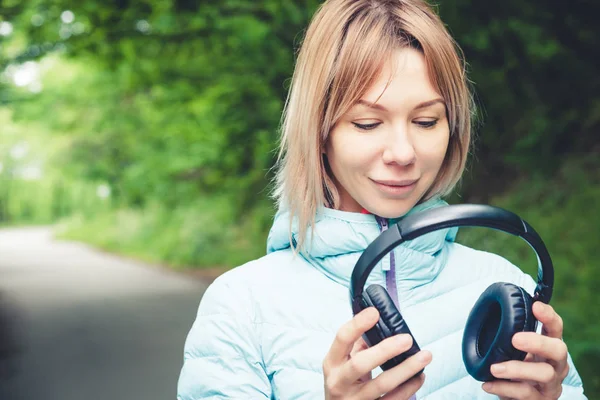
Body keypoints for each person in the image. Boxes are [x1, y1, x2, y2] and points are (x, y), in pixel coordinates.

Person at [177, 0, 586, 398]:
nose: (403, 153)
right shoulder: (242, 306)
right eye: (368, 123)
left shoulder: (509, 289)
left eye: (426, 121)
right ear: (319, 131)